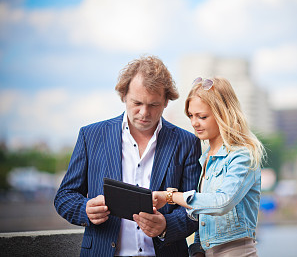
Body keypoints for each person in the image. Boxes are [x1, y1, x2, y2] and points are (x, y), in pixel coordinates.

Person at [54, 55, 202, 257]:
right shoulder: (91, 136)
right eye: (137, 103)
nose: (144, 112)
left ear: (167, 101)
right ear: (124, 95)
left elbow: (196, 208)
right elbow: (64, 197)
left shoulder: (187, 142)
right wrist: (85, 209)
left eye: (153, 104)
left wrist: (167, 225)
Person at [153, 77, 265, 257]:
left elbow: (222, 202)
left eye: (202, 116)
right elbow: (204, 213)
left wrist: (171, 196)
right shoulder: (204, 158)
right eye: (190, 116)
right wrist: (197, 250)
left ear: (223, 114)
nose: (194, 123)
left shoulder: (243, 155)